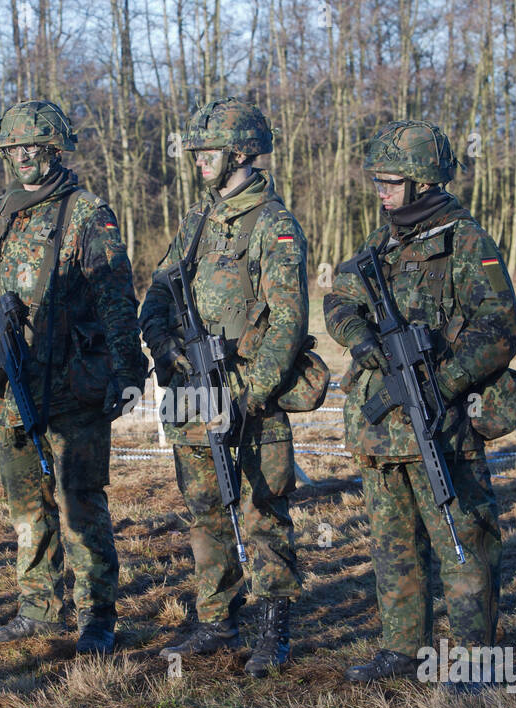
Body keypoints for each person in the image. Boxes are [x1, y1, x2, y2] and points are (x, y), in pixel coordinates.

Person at [324, 121, 516, 689]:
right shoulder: (380, 245)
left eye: (390, 182)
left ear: (420, 183)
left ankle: (477, 660)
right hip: (381, 432)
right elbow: (339, 299)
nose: (380, 192)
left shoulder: (466, 241)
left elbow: (499, 327)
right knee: (392, 546)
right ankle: (400, 650)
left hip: (441, 424)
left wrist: (447, 380)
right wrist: (359, 338)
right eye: (378, 182)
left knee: (463, 543)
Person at [0, 100, 146, 656]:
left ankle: (97, 616)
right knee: (25, 504)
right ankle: (38, 607)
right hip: (12, 383)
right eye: (14, 149)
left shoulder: (89, 213)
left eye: (34, 147)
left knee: (79, 501)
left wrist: (127, 371)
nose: (23, 157)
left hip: (74, 385)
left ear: (54, 148)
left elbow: (116, 297)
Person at [141, 97, 309, 678]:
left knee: (262, 508)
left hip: (249, 391)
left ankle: (272, 628)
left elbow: (289, 324)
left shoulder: (274, 223)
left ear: (239, 152)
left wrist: (253, 393)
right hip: (193, 386)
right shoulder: (196, 221)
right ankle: (217, 618)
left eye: (208, 152)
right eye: (197, 153)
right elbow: (158, 294)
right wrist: (166, 348)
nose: (199, 162)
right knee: (205, 506)